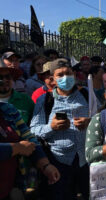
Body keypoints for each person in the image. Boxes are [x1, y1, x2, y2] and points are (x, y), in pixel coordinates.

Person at [30, 58, 91, 200]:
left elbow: (101, 118)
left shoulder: (87, 94)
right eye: (60, 75)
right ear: (53, 79)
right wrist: (51, 127)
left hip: (85, 160)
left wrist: (90, 121)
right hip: (58, 162)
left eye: (68, 73)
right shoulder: (45, 100)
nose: (65, 78)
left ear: (74, 75)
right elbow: (33, 130)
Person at [0, 59, 60, 199]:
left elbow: (28, 137)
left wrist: (45, 166)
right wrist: (16, 148)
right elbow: (21, 145)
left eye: (7, 77)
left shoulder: (9, 110)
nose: (3, 81)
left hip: (11, 184)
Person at [0, 59, 34, 125]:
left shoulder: (25, 99)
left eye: (8, 77)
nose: (5, 80)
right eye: (0, 77)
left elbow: (35, 125)